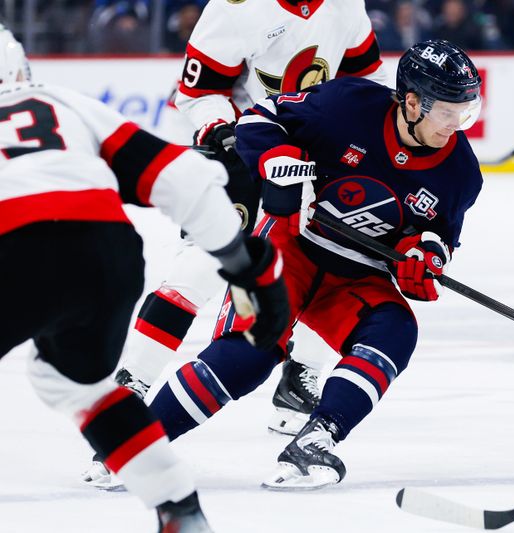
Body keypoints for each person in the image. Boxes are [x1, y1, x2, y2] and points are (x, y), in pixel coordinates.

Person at [146, 39, 484, 489]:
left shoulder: (461, 171)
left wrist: (424, 257)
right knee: (249, 356)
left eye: (465, 111)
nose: (456, 125)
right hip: (294, 248)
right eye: (447, 111)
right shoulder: (347, 104)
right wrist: (274, 159)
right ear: (412, 101)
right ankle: (134, 444)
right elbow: (262, 118)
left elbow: (438, 234)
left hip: (358, 276)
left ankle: (316, 439)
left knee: (396, 331)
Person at [0, 27, 289, 530]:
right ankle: (179, 507)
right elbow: (183, 177)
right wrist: (247, 268)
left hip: (13, 248)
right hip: (107, 256)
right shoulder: (64, 103)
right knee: (75, 386)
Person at [111, 0, 391, 448]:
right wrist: (226, 131)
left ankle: (300, 377)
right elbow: (196, 94)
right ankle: (133, 383)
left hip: (318, 158)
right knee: (200, 267)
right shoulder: (234, 7)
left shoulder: (346, 4)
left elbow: (367, 83)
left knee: (333, 267)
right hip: (245, 149)